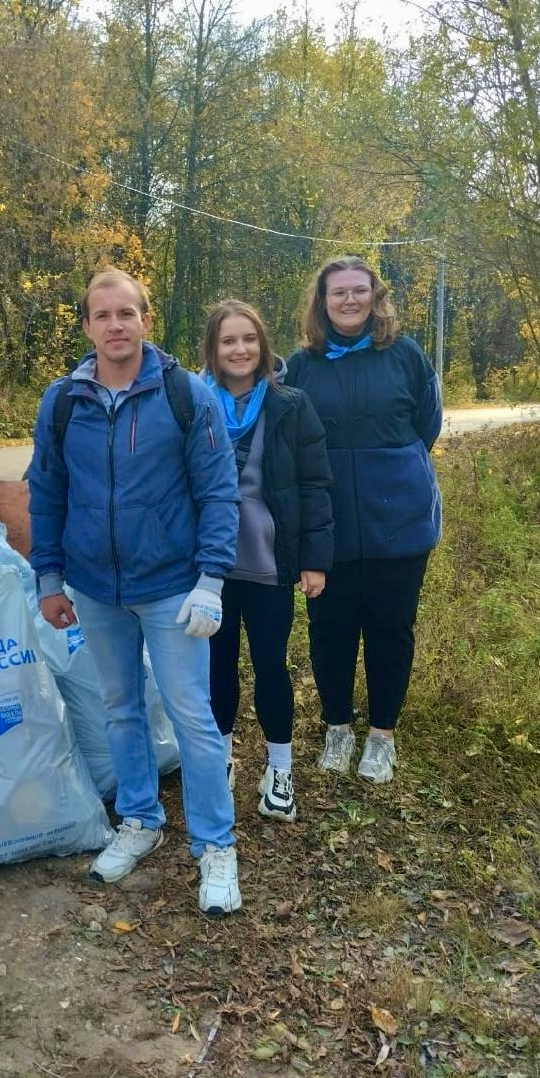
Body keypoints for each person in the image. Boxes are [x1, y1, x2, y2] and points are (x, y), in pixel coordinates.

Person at [28, 267, 243, 915]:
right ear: (87, 325)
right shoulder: (63, 401)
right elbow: (46, 491)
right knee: (119, 707)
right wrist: (48, 576)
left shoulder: (185, 395)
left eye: (127, 313)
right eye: (103, 315)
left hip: (171, 587)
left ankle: (215, 847)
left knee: (191, 716)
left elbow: (217, 491)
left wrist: (210, 579)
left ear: (146, 319)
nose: (115, 325)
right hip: (95, 590)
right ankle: (140, 820)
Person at [285, 255, 442, 783]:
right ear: (322, 302)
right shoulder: (302, 365)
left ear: (376, 298)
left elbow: (428, 424)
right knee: (329, 628)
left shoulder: (406, 356)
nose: (349, 300)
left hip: (398, 522)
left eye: (359, 291)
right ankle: (337, 728)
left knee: (389, 629)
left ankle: (381, 736)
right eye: (338, 293)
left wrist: (392, 471)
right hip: (327, 523)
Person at [201, 300, 333, 823]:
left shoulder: (291, 404)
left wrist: (315, 559)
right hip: (208, 565)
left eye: (248, 339)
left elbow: (315, 484)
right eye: (228, 341)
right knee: (216, 666)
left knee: (271, 666)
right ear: (213, 350)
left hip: (269, 560)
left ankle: (280, 770)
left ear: (263, 346)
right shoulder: (193, 403)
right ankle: (220, 760)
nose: (240, 350)